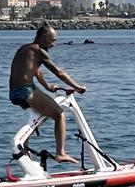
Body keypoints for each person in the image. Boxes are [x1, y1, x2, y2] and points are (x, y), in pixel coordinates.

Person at [8, 23, 88, 164]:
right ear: (44, 38)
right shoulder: (38, 50)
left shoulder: (25, 49)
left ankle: (25, 150)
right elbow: (59, 72)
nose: (53, 44)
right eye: (52, 40)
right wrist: (78, 87)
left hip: (14, 93)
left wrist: (47, 86)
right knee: (59, 114)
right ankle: (60, 153)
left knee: (35, 118)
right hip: (26, 90)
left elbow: (36, 71)